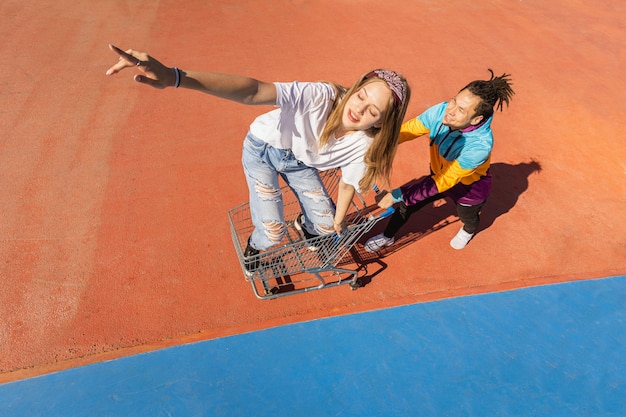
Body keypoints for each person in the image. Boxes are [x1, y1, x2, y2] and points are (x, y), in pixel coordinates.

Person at [106, 44, 410, 274]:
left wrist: (339, 220)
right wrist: (175, 77)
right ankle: (254, 248)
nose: (359, 109)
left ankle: (306, 226)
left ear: (381, 123)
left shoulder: (365, 144)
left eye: (373, 111)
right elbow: (254, 91)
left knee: (326, 225)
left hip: (298, 162)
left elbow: (346, 183)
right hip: (263, 149)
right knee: (273, 230)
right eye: (361, 96)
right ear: (355, 88)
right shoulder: (321, 97)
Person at [364, 70, 514, 252]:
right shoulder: (441, 111)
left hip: (468, 189)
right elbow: (410, 129)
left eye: (461, 110)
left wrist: (397, 193)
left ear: (476, 119)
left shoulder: (479, 147)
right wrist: (377, 143)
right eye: (454, 101)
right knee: (406, 204)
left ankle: (468, 230)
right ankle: (387, 236)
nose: (450, 111)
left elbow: (446, 181)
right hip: (438, 175)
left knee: (467, 215)